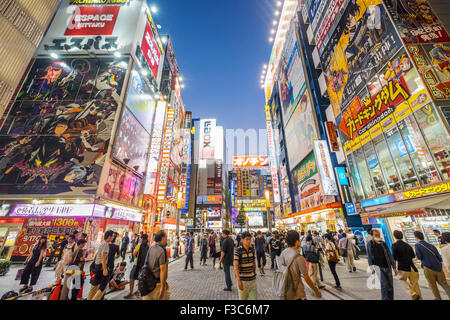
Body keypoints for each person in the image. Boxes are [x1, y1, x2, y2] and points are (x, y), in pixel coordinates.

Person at [279, 231, 322, 300]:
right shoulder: (298, 257)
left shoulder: (283, 253)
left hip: (285, 290)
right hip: (297, 294)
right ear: (296, 242)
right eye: (299, 239)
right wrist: (316, 290)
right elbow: (306, 277)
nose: (300, 241)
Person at [414, 231, 450, 300]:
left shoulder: (417, 245)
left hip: (428, 268)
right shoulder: (431, 245)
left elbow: (419, 257)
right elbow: (439, 258)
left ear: (416, 237)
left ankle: (438, 298)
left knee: (433, 285)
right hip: (438, 268)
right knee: (444, 284)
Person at [367, 229, 397, 300]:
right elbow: (370, 256)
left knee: (390, 285)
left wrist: (394, 267)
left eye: (378, 235)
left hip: (387, 266)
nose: (378, 236)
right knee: (384, 285)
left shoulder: (383, 243)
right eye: (376, 235)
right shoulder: (370, 244)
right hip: (378, 268)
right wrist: (372, 268)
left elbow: (389, 255)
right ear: (372, 236)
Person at [391, 230, 421, 300]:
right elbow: (413, 256)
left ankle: (412, 293)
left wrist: (394, 268)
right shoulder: (408, 245)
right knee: (415, 285)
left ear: (394, 236)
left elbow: (394, 258)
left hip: (403, 267)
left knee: (401, 279)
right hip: (413, 267)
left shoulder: (394, 245)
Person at [142, 231, 169, 300]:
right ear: (162, 238)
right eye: (166, 237)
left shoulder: (151, 247)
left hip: (147, 283)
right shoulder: (161, 250)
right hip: (157, 284)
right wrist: (162, 287)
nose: (167, 238)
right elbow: (163, 269)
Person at [87, 230, 114, 300]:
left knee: (94, 285)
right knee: (104, 286)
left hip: (97, 266)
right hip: (101, 267)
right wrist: (105, 269)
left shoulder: (102, 243)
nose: (113, 237)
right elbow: (103, 256)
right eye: (112, 236)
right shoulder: (106, 244)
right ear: (109, 237)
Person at [124, 234, 149, 299]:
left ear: (142, 238)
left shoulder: (139, 245)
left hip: (137, 264)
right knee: (140, 278)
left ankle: (131, 292)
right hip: (144, 266)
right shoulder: (148, 246)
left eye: (140, 238)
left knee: (132, 277)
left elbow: (134, 254)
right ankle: (138, 291)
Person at [234, 232, 257, 300]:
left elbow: (253, 262)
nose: (249, 241)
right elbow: (236, 266)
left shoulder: (252, 249)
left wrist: (254, 273)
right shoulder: (238, 250)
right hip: (243, 281)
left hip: (252, 280)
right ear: (242, 240)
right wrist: (239, 281)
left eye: (250, 239)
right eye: (247, 239)